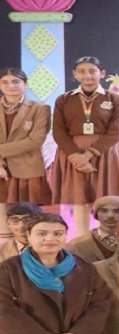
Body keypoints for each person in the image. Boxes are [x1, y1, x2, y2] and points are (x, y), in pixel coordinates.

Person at [51, 56, 119, 236]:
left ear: (102, 73)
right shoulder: (64, 99)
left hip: (105, 152)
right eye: (81, 71)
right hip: (73, 152)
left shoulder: (114, 98)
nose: (87, 75)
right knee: (80, 199)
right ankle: (82, 239)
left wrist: (88, 155)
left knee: (107, 199)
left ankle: (108, 238)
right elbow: (59, 132)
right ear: (74, 74)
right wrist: (75, 156)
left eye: (92, 71)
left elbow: (116, 132)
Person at [0, 68, 51, 236]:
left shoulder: (40, 108)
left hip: (27, 168)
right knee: (4, 225)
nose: (10, 86)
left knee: (31, 219)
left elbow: (35, 140)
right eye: (5, 82)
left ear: (26, 84)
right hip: (2, 169)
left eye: (16, 81)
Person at [66, 195, 119, 262]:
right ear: (96, 215)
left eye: (117, 211)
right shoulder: (76, 245)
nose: (110, 215)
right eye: (104, 211)